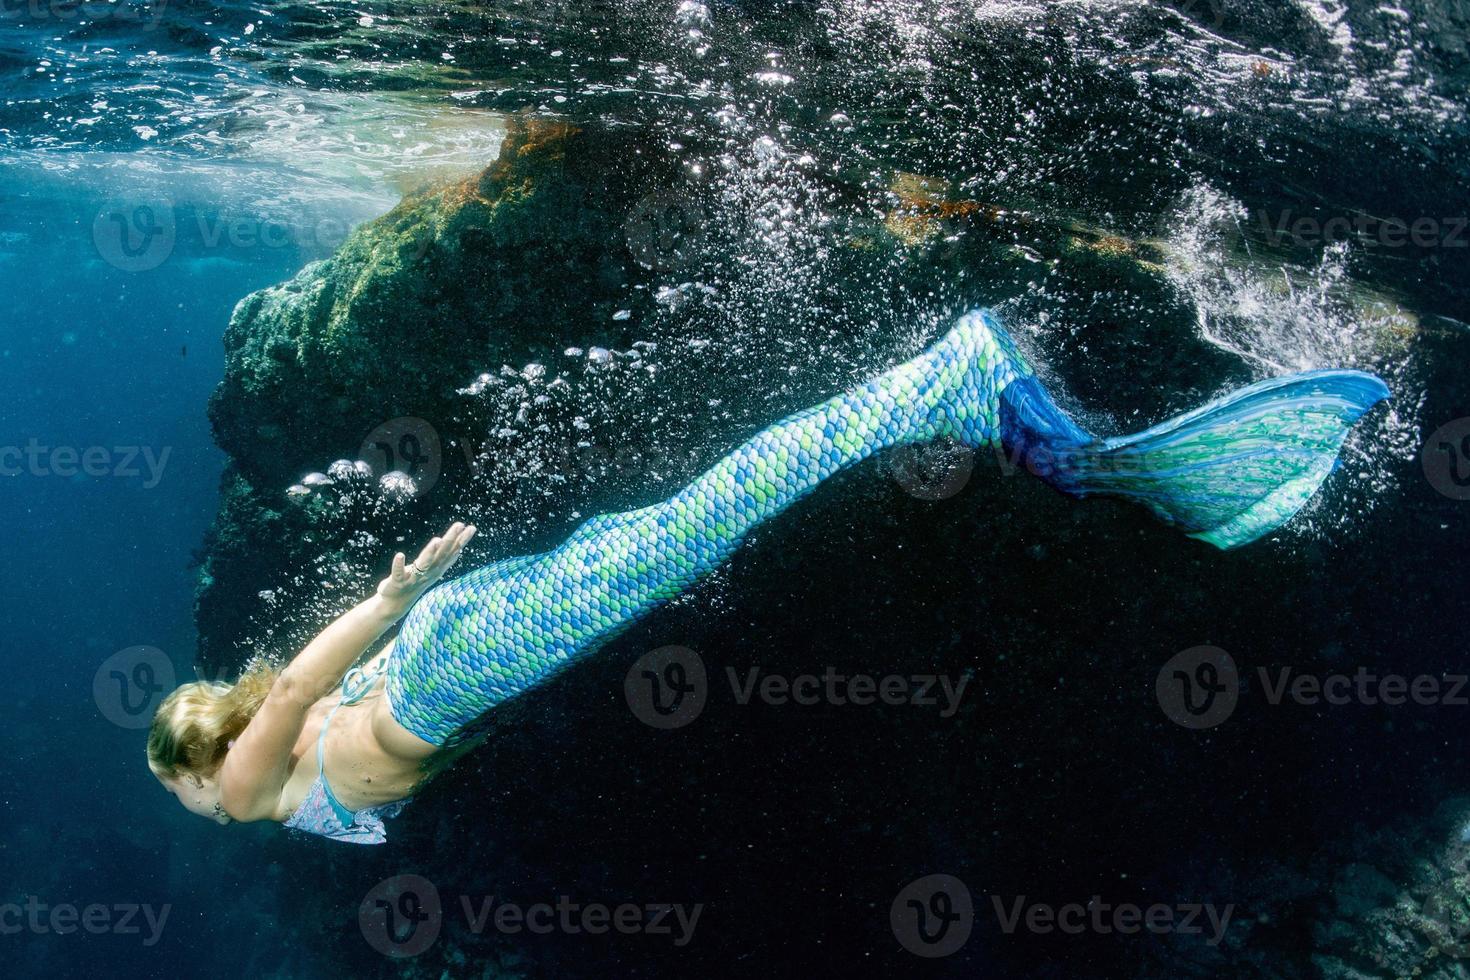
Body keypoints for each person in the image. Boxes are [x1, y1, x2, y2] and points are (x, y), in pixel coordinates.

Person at [148, 309, 1389, 843]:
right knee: (677, 526)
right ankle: (951, 394)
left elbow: (299, 685)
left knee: (703, 523)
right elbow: (305, 687)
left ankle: (943, 382)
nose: (206, 816)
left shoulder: (255, 786)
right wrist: (395, 614)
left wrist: (383, 604)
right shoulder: (279, 753)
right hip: (450, 649)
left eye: (189, 796)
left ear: (209, 765)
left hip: (453, 659)